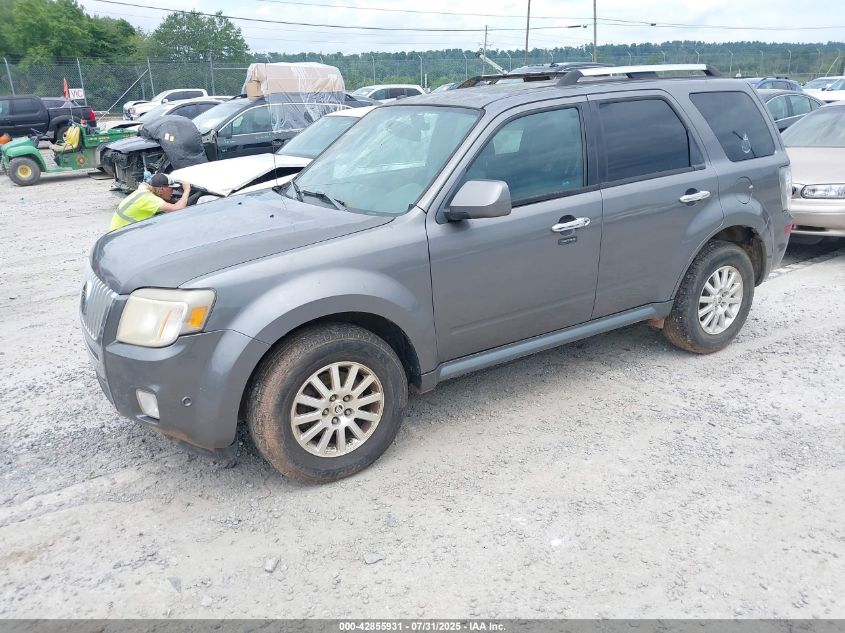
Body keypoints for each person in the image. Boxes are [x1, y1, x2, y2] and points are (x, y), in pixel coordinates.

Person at [109, 173, 191, 231]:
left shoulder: (144, 190)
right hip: (121, 235)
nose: (172, 192)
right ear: (162, 189)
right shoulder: (149, 199)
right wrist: (187, 190)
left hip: (119, 229)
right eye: (171, 189)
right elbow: (178, 209)